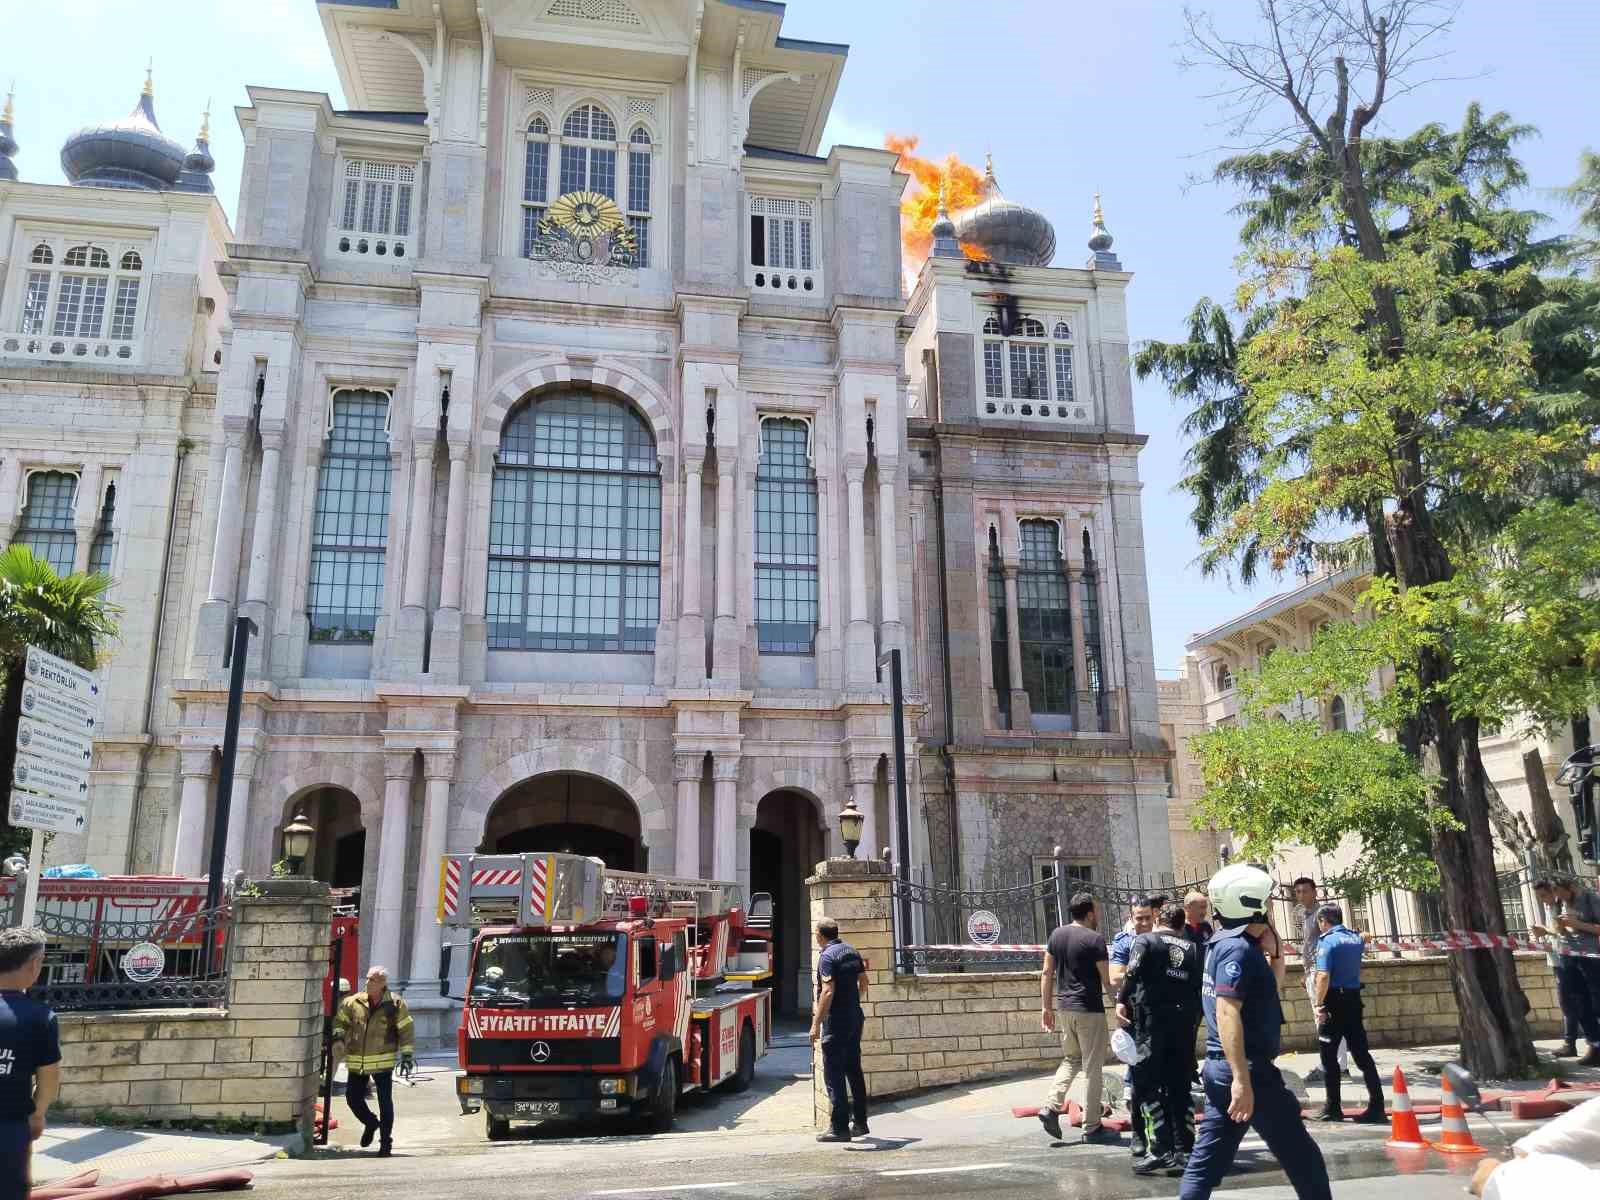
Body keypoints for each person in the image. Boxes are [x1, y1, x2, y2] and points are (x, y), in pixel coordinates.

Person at [1178, 863, 1332, 1200]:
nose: (1269, 907)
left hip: (1230, 1069)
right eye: (1264, 902)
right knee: (1302, 1157)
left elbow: (1268, 987)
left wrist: (1274, 949)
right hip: (1248, 1072)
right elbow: (1227, 1013)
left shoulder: (1224, 943)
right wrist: (1241, 1080)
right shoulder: (1238, 950)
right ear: (1249, 904)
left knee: (1205, 1165)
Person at [1117, 903, 1203, 1174]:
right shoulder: (1194, 948)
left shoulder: (1146, 940)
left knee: (1148, 1085)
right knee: (1180, 1087)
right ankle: (1185, 1150)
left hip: (1152, 1025)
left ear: (1158, 920)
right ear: (1181, 925)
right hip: (1184, 1027)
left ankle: (1161, 1150)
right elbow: (1200, 987)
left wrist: (1121, 1001)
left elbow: (1131, 972)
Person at [1037, 892, 1117, 1143]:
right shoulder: (1095, 940)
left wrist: (1045, 1007)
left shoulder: (1056, 935)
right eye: (1098, 910)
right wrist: (1121, 1007)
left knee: (1072, 1059)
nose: (1099, 915)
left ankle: (1050, 1107)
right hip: (1088, 1010)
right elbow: (1107, 980)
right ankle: (1092, 1127)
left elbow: (1046, 972)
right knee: (1092, 1067)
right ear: (1090, 913)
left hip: (1065, 1008)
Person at [1308, 905, 1385, 1123]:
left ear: (1324, 920)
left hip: (1333, 1002)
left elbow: (1323, 976)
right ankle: (1377, 1106)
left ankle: (1333, 1108)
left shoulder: (1327, 941)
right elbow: (1365, 936)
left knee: (1329, 1056)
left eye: (1319, 922)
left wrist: (1318, 1003)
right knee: (1362, 1055)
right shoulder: (1354, 939)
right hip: (1353, 1000)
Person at [332, 965, 415, 1156]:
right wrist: (338, 1036)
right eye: (368, 979)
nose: (368, 982)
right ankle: (371, 1123)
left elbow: (406, 1029)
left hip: (382, 1063)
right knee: (352, 1098)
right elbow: (340, 1021)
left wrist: (407, 1054)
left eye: (373, 980)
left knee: (385, 1103)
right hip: (357, 1061)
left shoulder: (395, 1004)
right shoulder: (353, 1002)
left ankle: (386, 1143)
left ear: (383, 983)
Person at [0, 928, 59, 1195]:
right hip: (9, 1131)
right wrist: (37, 1114)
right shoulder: (40, 1017)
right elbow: (48, 1078)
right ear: (35, 964)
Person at [812, 918, 870, 1142]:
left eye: (816, 933)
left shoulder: (827, 956)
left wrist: (816, 1023)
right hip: (855, 1017)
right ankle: (861, 1122)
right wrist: (853, 1002)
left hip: (836, 1021)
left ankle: (839, 1128)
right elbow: (864, 981)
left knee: (834, 1072)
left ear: (820, 935)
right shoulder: (851, 951)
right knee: (854, 1069)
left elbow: (827, 991)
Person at [1532, 877, 1600, 1067]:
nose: (1558, 898)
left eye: (1561, 893)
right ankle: (1595, 1045)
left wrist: (1578, 925)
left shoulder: (1589, 899)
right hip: (1567, 956)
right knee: (1579, 1004)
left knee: (1595, 1003)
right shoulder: (1560, 904)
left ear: (1571, 888)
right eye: (1557, 894)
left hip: (1590, 957)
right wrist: (1554, 930)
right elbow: (1563, 930)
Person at [1110, 896, 1159, 1157]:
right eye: (1138, 918)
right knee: (1138, 1076)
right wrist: (1140, 967)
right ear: (1131, 917)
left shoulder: (1163, 939)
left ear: (1155, 916)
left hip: (1162, 1016)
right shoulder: (1124, 941)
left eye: (1147, 918)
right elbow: (1114, 975)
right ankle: (1138, 1134)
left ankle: (1165, 1137)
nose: (1142, 923)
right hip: (1134, 1016)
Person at [1292, 876, 1347, 1080]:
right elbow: (1309, 945)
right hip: (1312, 971)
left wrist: (1318, 971)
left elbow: (1330, 939)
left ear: (1314, 892)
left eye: (1305, 891)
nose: (1301, 895)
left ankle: (1336, 1066)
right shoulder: (1305, 915)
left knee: (1325, 1017)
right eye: (1297, 891)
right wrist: (1305, 972)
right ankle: (1333, 1063)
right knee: (1322, 1018)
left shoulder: (1321, 914)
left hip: (1321, 970)